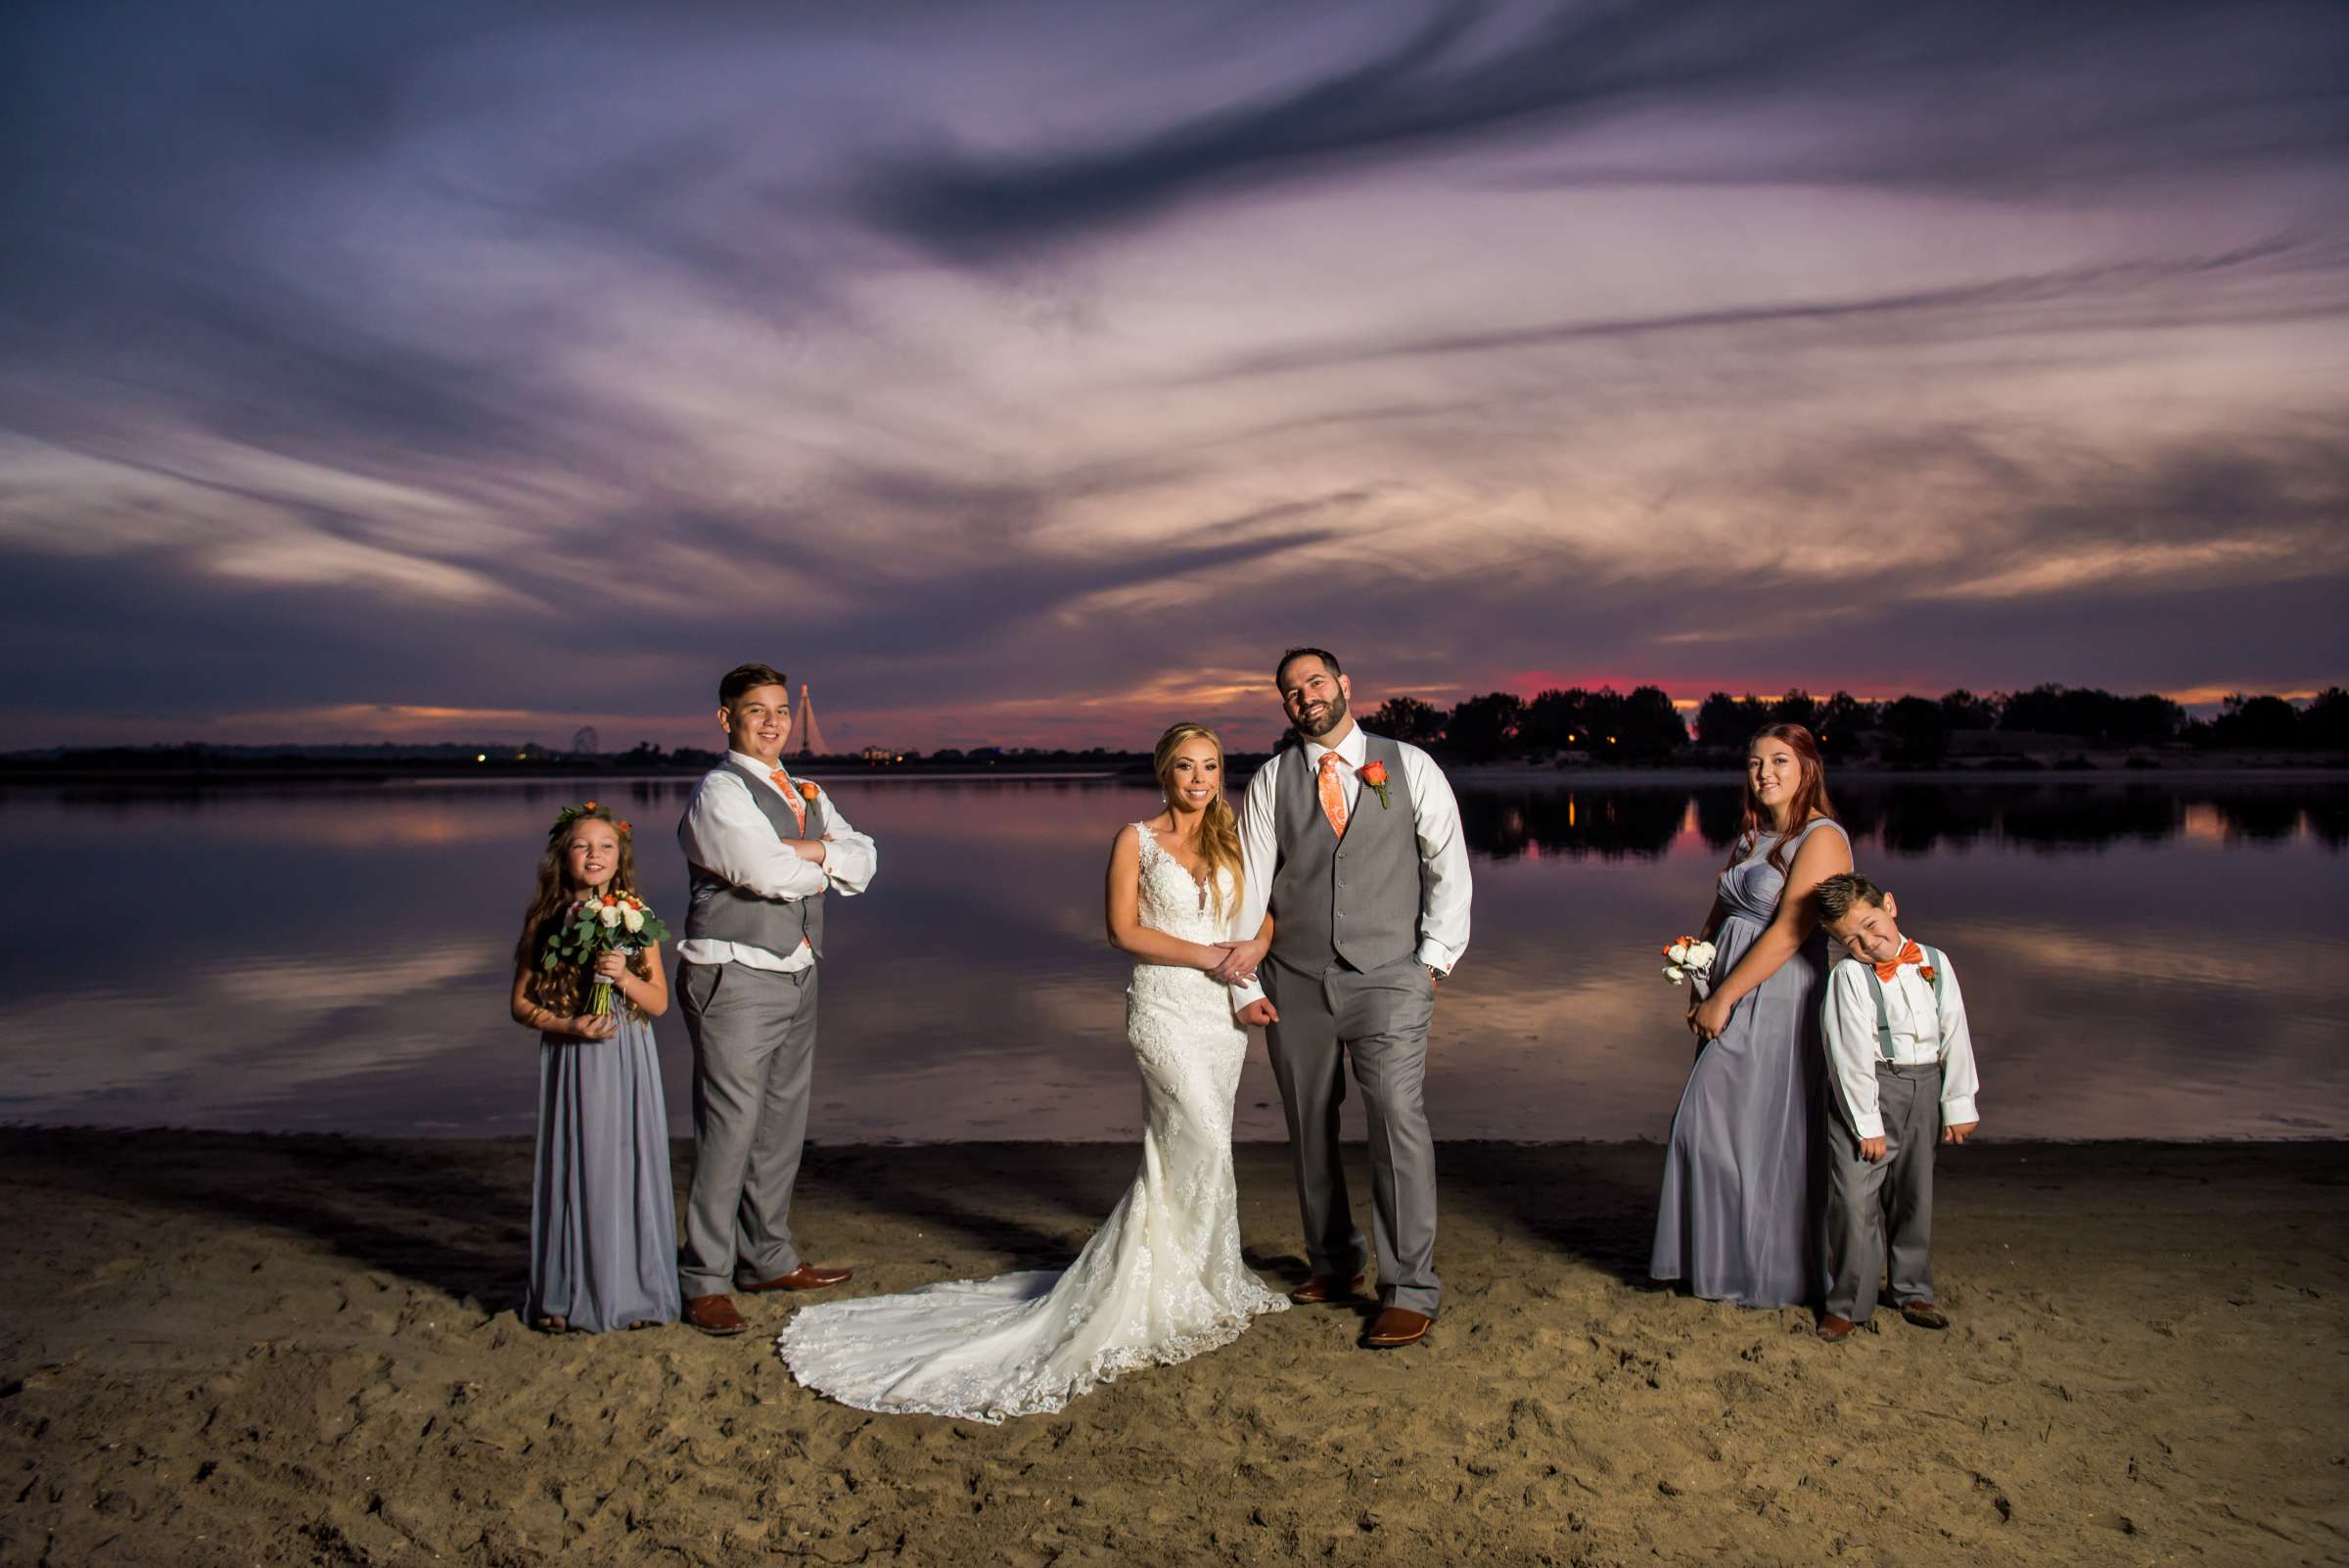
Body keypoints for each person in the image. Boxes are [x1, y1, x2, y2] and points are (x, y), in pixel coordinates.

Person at [772, 722, 1289, 1419]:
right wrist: (1207, 958)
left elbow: (1266, 916)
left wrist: (1250, 953)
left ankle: (1201, 1273)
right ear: (1163, 773)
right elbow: (1123, 931)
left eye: (1210, 767)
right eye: (1185, 767)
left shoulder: (1234, 838)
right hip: (1166, 1010)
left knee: (1195, 1146)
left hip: (1222, 1018)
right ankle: (1166, 1286)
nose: (1199, 779)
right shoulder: (1134, 840)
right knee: (1193, 1131)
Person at [1222, 648, 1472, 1350]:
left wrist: (1432, 961)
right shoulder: (1272, 780)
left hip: (1391, 975)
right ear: (1285, 707)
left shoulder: (1409, 763)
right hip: (1294, 979)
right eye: (1292, 691)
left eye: (1316, 683)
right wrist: (1245, 981)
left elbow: (1447, 865)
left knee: (1397, 1118)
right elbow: (1250, 885)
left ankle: (1410, 1286)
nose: (1306, 697)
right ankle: (1335, 1260)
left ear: (1344, 687)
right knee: (1309, 1127)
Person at [672, 663, 879, 1336]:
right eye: (755, 710)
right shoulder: (720, 791)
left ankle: (766, 1256)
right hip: (734, 974)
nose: (772, 721)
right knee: (730, 1127)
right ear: (726, 718)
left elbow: (866, 859)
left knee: (782, 1122)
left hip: (799, 969)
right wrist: (821, 858)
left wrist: (807, 848)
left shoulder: (805, 789)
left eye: (780, 710)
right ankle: (704, 1276)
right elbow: (762, 873)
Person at [1648, 723, 1853, 1309]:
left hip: (1777, 993)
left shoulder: (1822, 838)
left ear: (1808, 767)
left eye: (1780, 761)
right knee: (1721, 1128)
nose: (1764, 773)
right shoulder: (1754, 835)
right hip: (1728, 984)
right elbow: (1718, 915)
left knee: (1738, 1128)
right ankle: (1713, 1265)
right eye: (1755, 762)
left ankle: (1765, 1271)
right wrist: (1696, 969)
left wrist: (1725, 997)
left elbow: (1791, 931)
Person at [506, 803, 678, 1334]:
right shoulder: (545, 920)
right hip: (574, 1053)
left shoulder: (636, 915)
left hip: (627, 1052)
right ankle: (566, 1290)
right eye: (583, 846)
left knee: (627, 1163)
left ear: (619, 856)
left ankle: (637, 1293)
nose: (594, 855)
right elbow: (520, 1005)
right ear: (564, 856)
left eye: (605, 846)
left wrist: (623, 977)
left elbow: (659, 1003)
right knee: (576, 1163)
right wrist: (568, 1027)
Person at [1811, 871, 1982, 1342]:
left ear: (1890, 905)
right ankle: (1849, 1301)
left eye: (1870, 924)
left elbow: (1955, 1033)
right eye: (1851, 938)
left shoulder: (1935, 962)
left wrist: (1959, 1102)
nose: (1867, 941)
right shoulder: (1849, 976)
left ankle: (1912, 1289)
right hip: (1869, 1092)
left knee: (1914, 1193)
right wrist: (1865, 1124)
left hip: (1925, 1085)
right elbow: (1847, 1057)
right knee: (1852, 1200)